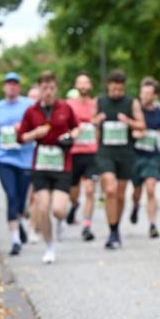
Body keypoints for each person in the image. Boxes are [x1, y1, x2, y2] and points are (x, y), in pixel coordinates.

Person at [17, 71, 79, 264]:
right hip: (41, 163)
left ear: (56, 88)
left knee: (58, 210)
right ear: (39, 89)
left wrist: (70, 137)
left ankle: (61, 221)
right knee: (43, 208)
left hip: (62, 163)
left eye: (52, 88)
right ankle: (49, 247)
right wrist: (34, 133)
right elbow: (21, 138)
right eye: (44, 88)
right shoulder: (31, 112)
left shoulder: (65, 108)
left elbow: (77, 127)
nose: (48, 92)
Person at [95, 69, 146, 250]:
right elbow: (92, 124)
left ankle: (115, 228)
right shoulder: (100, 101)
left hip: (125, 153)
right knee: (110, 189)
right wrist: (96, 121)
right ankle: (112, 230)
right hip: (105, 152)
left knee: (120, 194)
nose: (117, 92)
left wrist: (128, 122)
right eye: (114, 89)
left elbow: (142, 125)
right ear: (108, 86)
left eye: (120, 90)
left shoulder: (131, 102)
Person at [0, 72, 36, 256]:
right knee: (11, 195)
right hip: (5, 158)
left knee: (21, 200)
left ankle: (19, 222)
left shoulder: (29, 105)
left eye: (15, 84)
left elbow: (37, 125)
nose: (12, 87)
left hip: (24, 159)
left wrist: (23, 130)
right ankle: (15, 240)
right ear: (4, 87)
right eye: (8, 84)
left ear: (19, 87)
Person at [129, 76, 160, 238]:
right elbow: (129, 129)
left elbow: (159, 128)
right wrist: (135, 133)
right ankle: (136, 205)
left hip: (152, 155)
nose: (144, 96)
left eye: (148, 93)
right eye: (142, 92)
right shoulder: (134, 110)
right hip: (136, 155)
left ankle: (153, 225)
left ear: (155, 96)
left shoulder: (159, 112)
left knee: (151, 189)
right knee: (137, 191)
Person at [66, 72, 100, 242]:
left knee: (89, 189)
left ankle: (86, 226)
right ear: (76, 85)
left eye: (86, 83)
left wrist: (97, 123)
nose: (84, 86)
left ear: (91, 86)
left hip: (91, 153)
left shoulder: (95, 104)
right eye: (80, 83)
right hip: (73, 153)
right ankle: (74, 204)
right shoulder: (69, 105)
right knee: (73, 191)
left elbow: (99, 126)